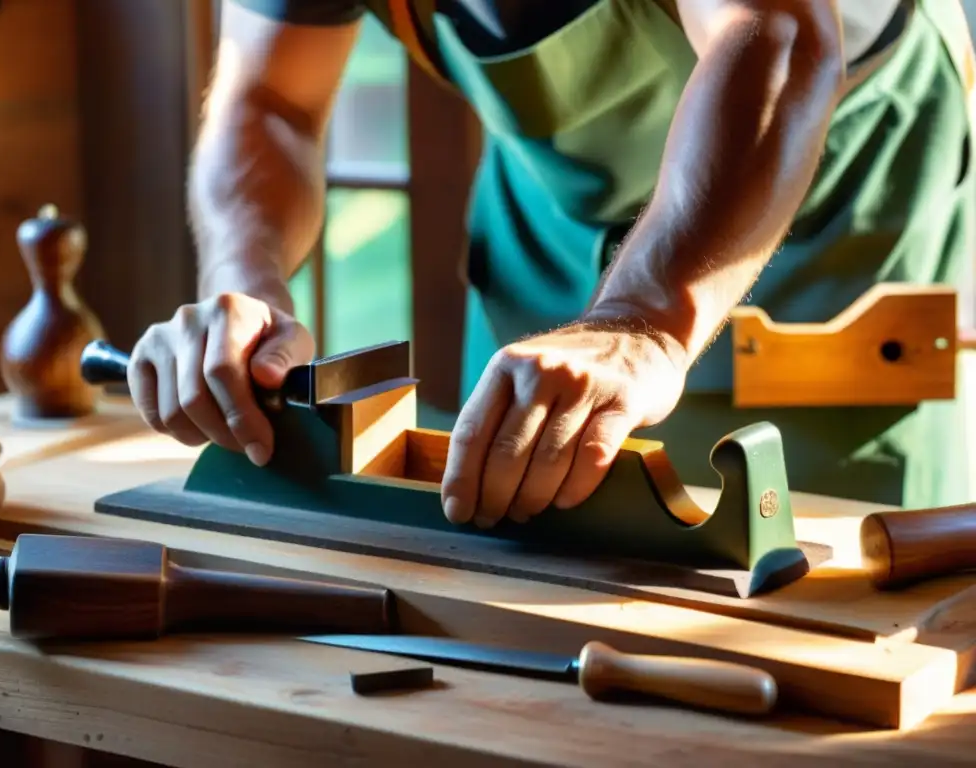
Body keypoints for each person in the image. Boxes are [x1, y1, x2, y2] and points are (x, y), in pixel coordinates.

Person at [127, 0, 975, 528]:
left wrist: (640, 322)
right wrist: (246, 286)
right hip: (554, 209)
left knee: (809, 584)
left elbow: (777, 36)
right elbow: (271, 101)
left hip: (830, 186)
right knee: (512, 530)